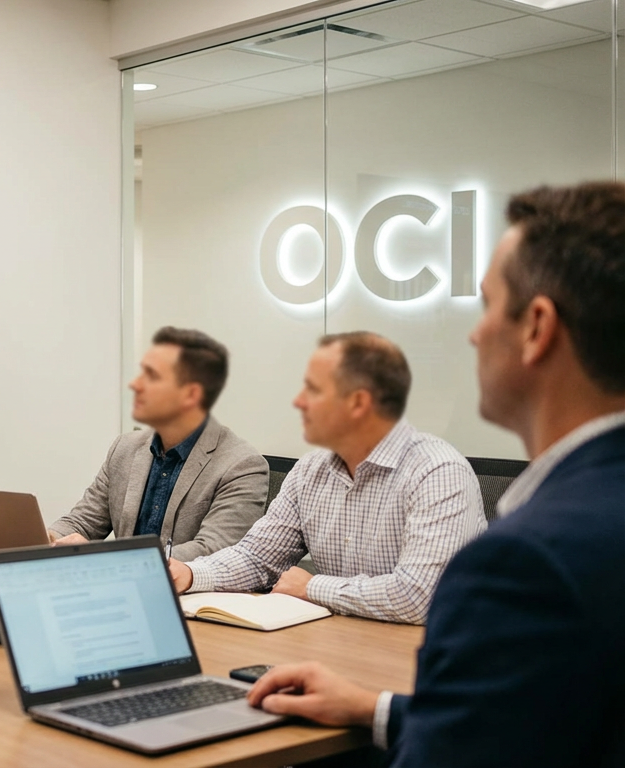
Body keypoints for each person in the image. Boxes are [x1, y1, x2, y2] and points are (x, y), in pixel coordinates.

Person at [246, 182, 625, 766]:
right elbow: (535, 718)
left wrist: (311, 586)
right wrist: (373, 709)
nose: (474, 334)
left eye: (488, 305)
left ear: (537, 327)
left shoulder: (526, 560)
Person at [169, 332, 485, 624]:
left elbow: (420, 596)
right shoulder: (310, 471)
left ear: (359, 403)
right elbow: (257, 558)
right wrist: (191, 574)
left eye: (313, 390)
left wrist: (313, 588)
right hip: (342, 645)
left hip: (431, 662)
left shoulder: (438, 472)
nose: (298, 402)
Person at [46, 326, 267, 560]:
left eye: (151, 377)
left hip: (191, 594)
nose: (135, 385)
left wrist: (106, 557)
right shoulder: (124, 447)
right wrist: (46, 539)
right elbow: (84, 521)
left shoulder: (243, 466)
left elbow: (212, 551)